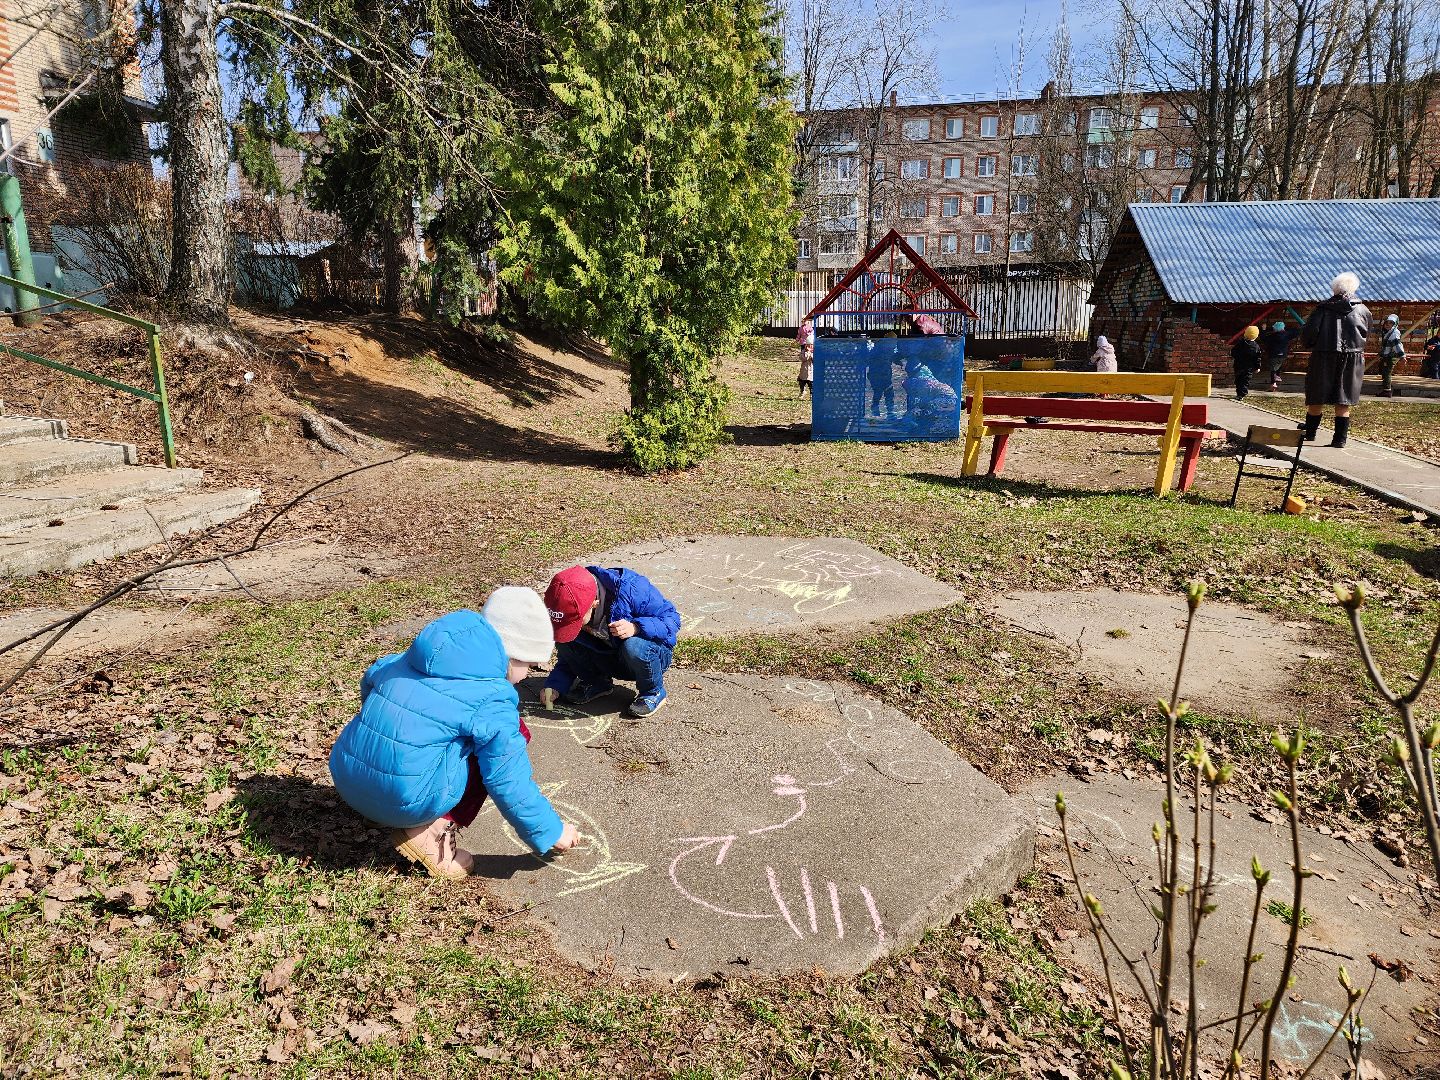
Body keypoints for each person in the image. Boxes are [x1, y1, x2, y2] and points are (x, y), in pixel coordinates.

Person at [329, 589, 578, 880]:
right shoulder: (492, 699)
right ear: (510, 656)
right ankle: (432, 833)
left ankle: (386, 793)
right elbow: (507, 780)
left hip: (347, 776)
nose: (528, 675)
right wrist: (550, 831)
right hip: (402, 801)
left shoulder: (411, 658)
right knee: (503, 741)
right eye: (529, 665)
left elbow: (370, 682)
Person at [539, 564, 681, 718]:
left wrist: (637, 627)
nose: (576, 626)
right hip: (609, 655)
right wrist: (555, 685)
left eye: (577, 621)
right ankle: (597, 683)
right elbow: (568, 654)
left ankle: (653, 691)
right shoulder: (573, 592)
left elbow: (672, 619)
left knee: (633, 645)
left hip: (650, 656)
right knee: (566, 638)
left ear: (594, 603)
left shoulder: (632, 589)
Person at [1300, 271, 1372, 449]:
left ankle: (1310, 433)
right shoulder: (1363, 310)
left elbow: (1309, 335)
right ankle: (1340, 439)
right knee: (1344, 398)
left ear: (1334, 289)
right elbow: (1367, 334)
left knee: (1316, 396)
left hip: (1324, 355)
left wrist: (1310, 343)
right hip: (1352, 357)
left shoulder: (1322, 309)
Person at [1259, 320, 1300, 390]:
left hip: (1273, 354)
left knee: (1273, 369)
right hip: (1283, 354)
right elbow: (1296, 333)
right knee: (1279, 364)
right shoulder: (1287, 334)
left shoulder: (1272, 336)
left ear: (1275, 329)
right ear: (1283, 328)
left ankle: (1273, 383)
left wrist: (1263, 330)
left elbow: (1263, 339)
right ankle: (1277, 376)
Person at [1231, 326, 1262, 401]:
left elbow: (1233, 352)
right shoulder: (1256, 346)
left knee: (1238, 380)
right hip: (1249, 368)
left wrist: (1236, 357)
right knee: (1245, 381)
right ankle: (1242, 394)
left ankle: (1239, 394)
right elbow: (1257, 358)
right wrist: (1257, 367)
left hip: (1238, 365)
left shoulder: (1240, 343)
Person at [1377, 313, 1406, 397]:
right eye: (1387, 323)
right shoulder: (1388, 333)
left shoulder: (1394, 334)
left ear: (1395, 324)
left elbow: (1397, 345)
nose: (1388, 325)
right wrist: (1381, 354)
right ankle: (1387, 386)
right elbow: (1386, 346)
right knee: (1383, 370)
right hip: (1387, 356)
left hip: (1391, 356)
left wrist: (1402, 356)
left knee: (1387, 372)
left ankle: (1387, 391)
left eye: (1391, 323)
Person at [796, 319, 815, 398]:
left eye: (810, 346)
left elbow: (814, 360)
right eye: (808, 346)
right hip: (804, 370)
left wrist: (811, 354)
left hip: (811, 371)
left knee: (811, 383)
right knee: (802, 382)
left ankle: (812, 394)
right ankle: (802, 392)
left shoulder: (810, 327)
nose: (809, 347)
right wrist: (807, 353)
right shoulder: (804, 351)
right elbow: (802, 358)